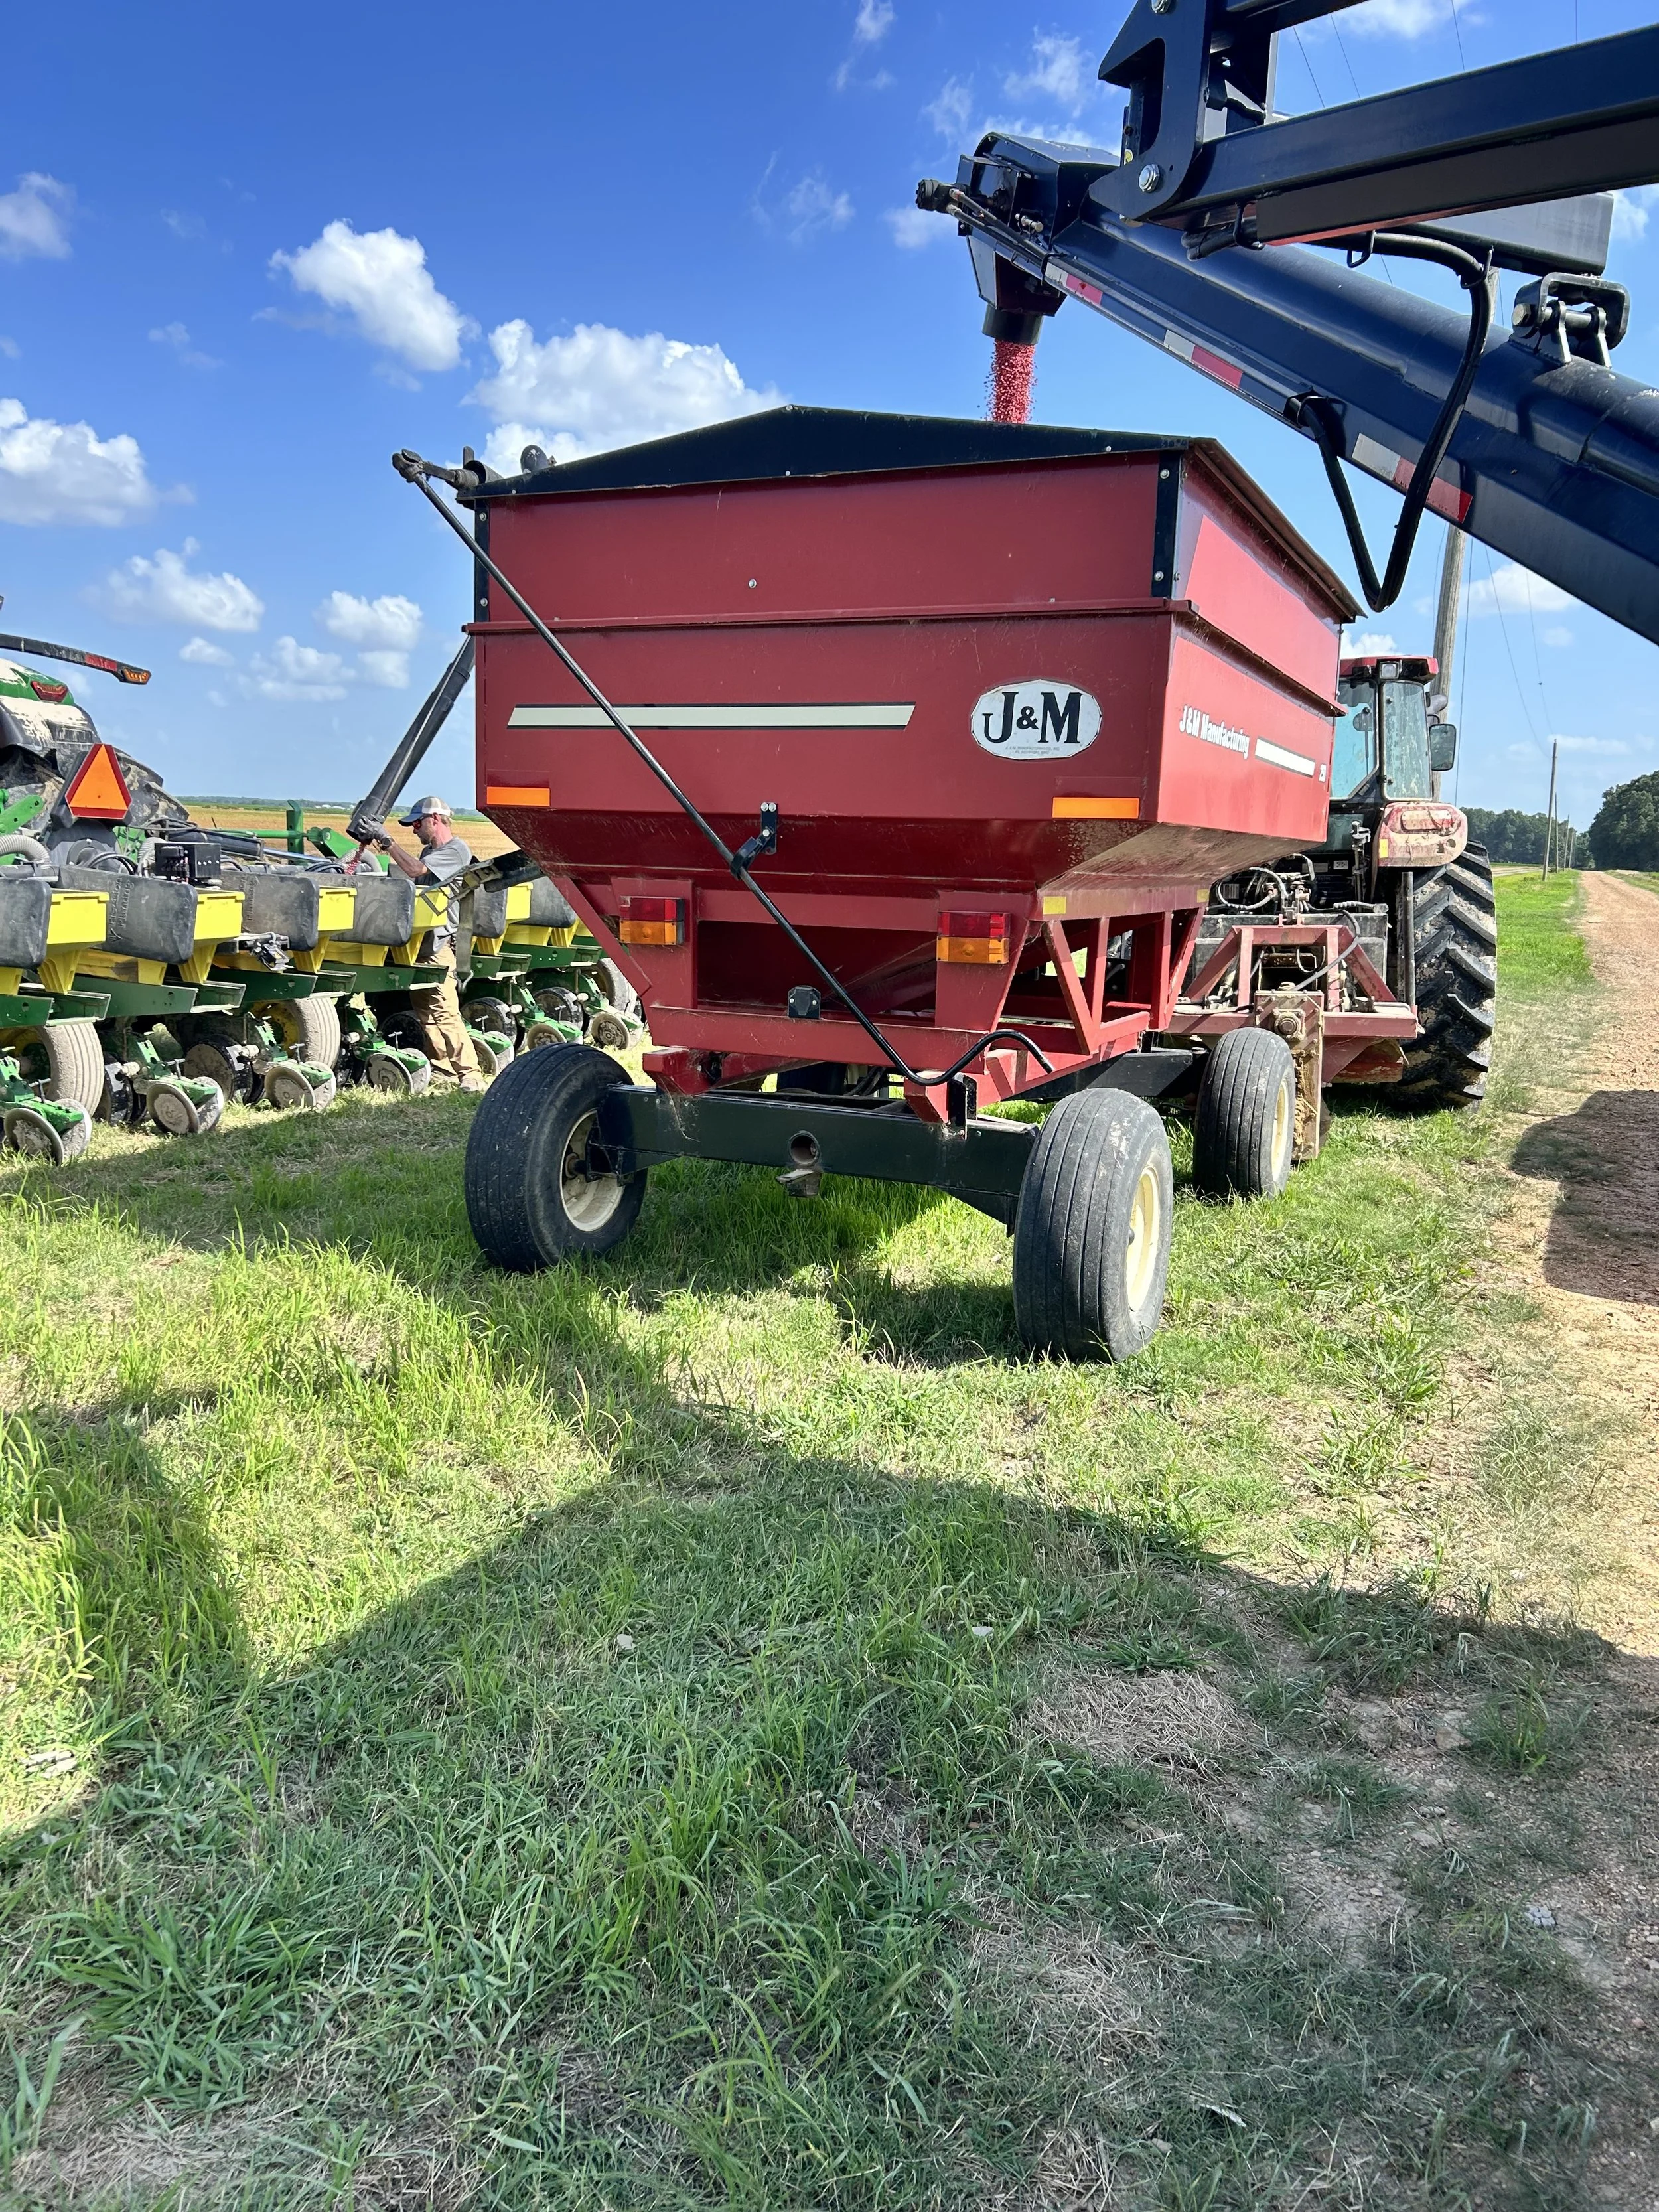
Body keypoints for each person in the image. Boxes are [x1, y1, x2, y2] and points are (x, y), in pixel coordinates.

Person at [364, 796, 484, 1091]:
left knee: (444, 1010)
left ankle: (471, 1074)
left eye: (417, 823)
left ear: (435, 820)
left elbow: (416, 871)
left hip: (439, 943)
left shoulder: (457, 850)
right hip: (420, 941)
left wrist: (387, 841)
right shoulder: (430, 850)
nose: (414, 829)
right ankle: (443, 1069)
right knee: (427, 1013)